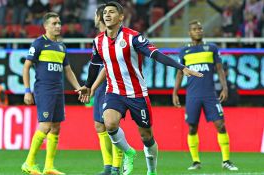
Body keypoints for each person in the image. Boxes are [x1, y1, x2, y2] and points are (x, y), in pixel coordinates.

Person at [76, 2, 203, 175]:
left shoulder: (133, 37)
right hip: (114, 92)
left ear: (121, 17)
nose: (107, 15)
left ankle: (152, 171)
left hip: (137, 94)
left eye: (112, 12)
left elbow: (156, 54)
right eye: (105, 12)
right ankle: (128, 152)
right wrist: (88, 86)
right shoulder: (98, 41)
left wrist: (181, 67)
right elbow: (94, 64)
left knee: (147, 137)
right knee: (109, 123)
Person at [172, 20, 239, 171]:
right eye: (195, 29)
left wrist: (224, 87)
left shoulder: (212, 48)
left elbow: (220, 69)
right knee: (192, 128)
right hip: (192, 95)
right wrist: (175, 92)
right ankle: (196, 161)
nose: (198, 31)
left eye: (200, 28)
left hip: (210, 95)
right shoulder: (184, 51)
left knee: (220, 125)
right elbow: (179, 73)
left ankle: (226, 160)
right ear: (189, 33)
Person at [21, 12, 81, 175]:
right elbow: (26, 67)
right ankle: (29, 162)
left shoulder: (62, 46)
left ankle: (49, 167)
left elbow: (67, 70)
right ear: (45, 26)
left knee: (55, 127)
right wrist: (27, 91)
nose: (58, 26)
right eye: (54, 23)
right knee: (45, 125)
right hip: (44, 90)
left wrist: (77, 87)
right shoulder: (39, 43)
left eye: (59, 23)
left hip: (58, 90)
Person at [91, 4, 123, 175]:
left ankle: (117, 166)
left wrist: (92, 86)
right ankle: (108, 166)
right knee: (99, 125)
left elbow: (107, 67)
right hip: (99, 86)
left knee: (112, 125)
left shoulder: (114, 38)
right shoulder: (98, 40)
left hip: (112, 85)